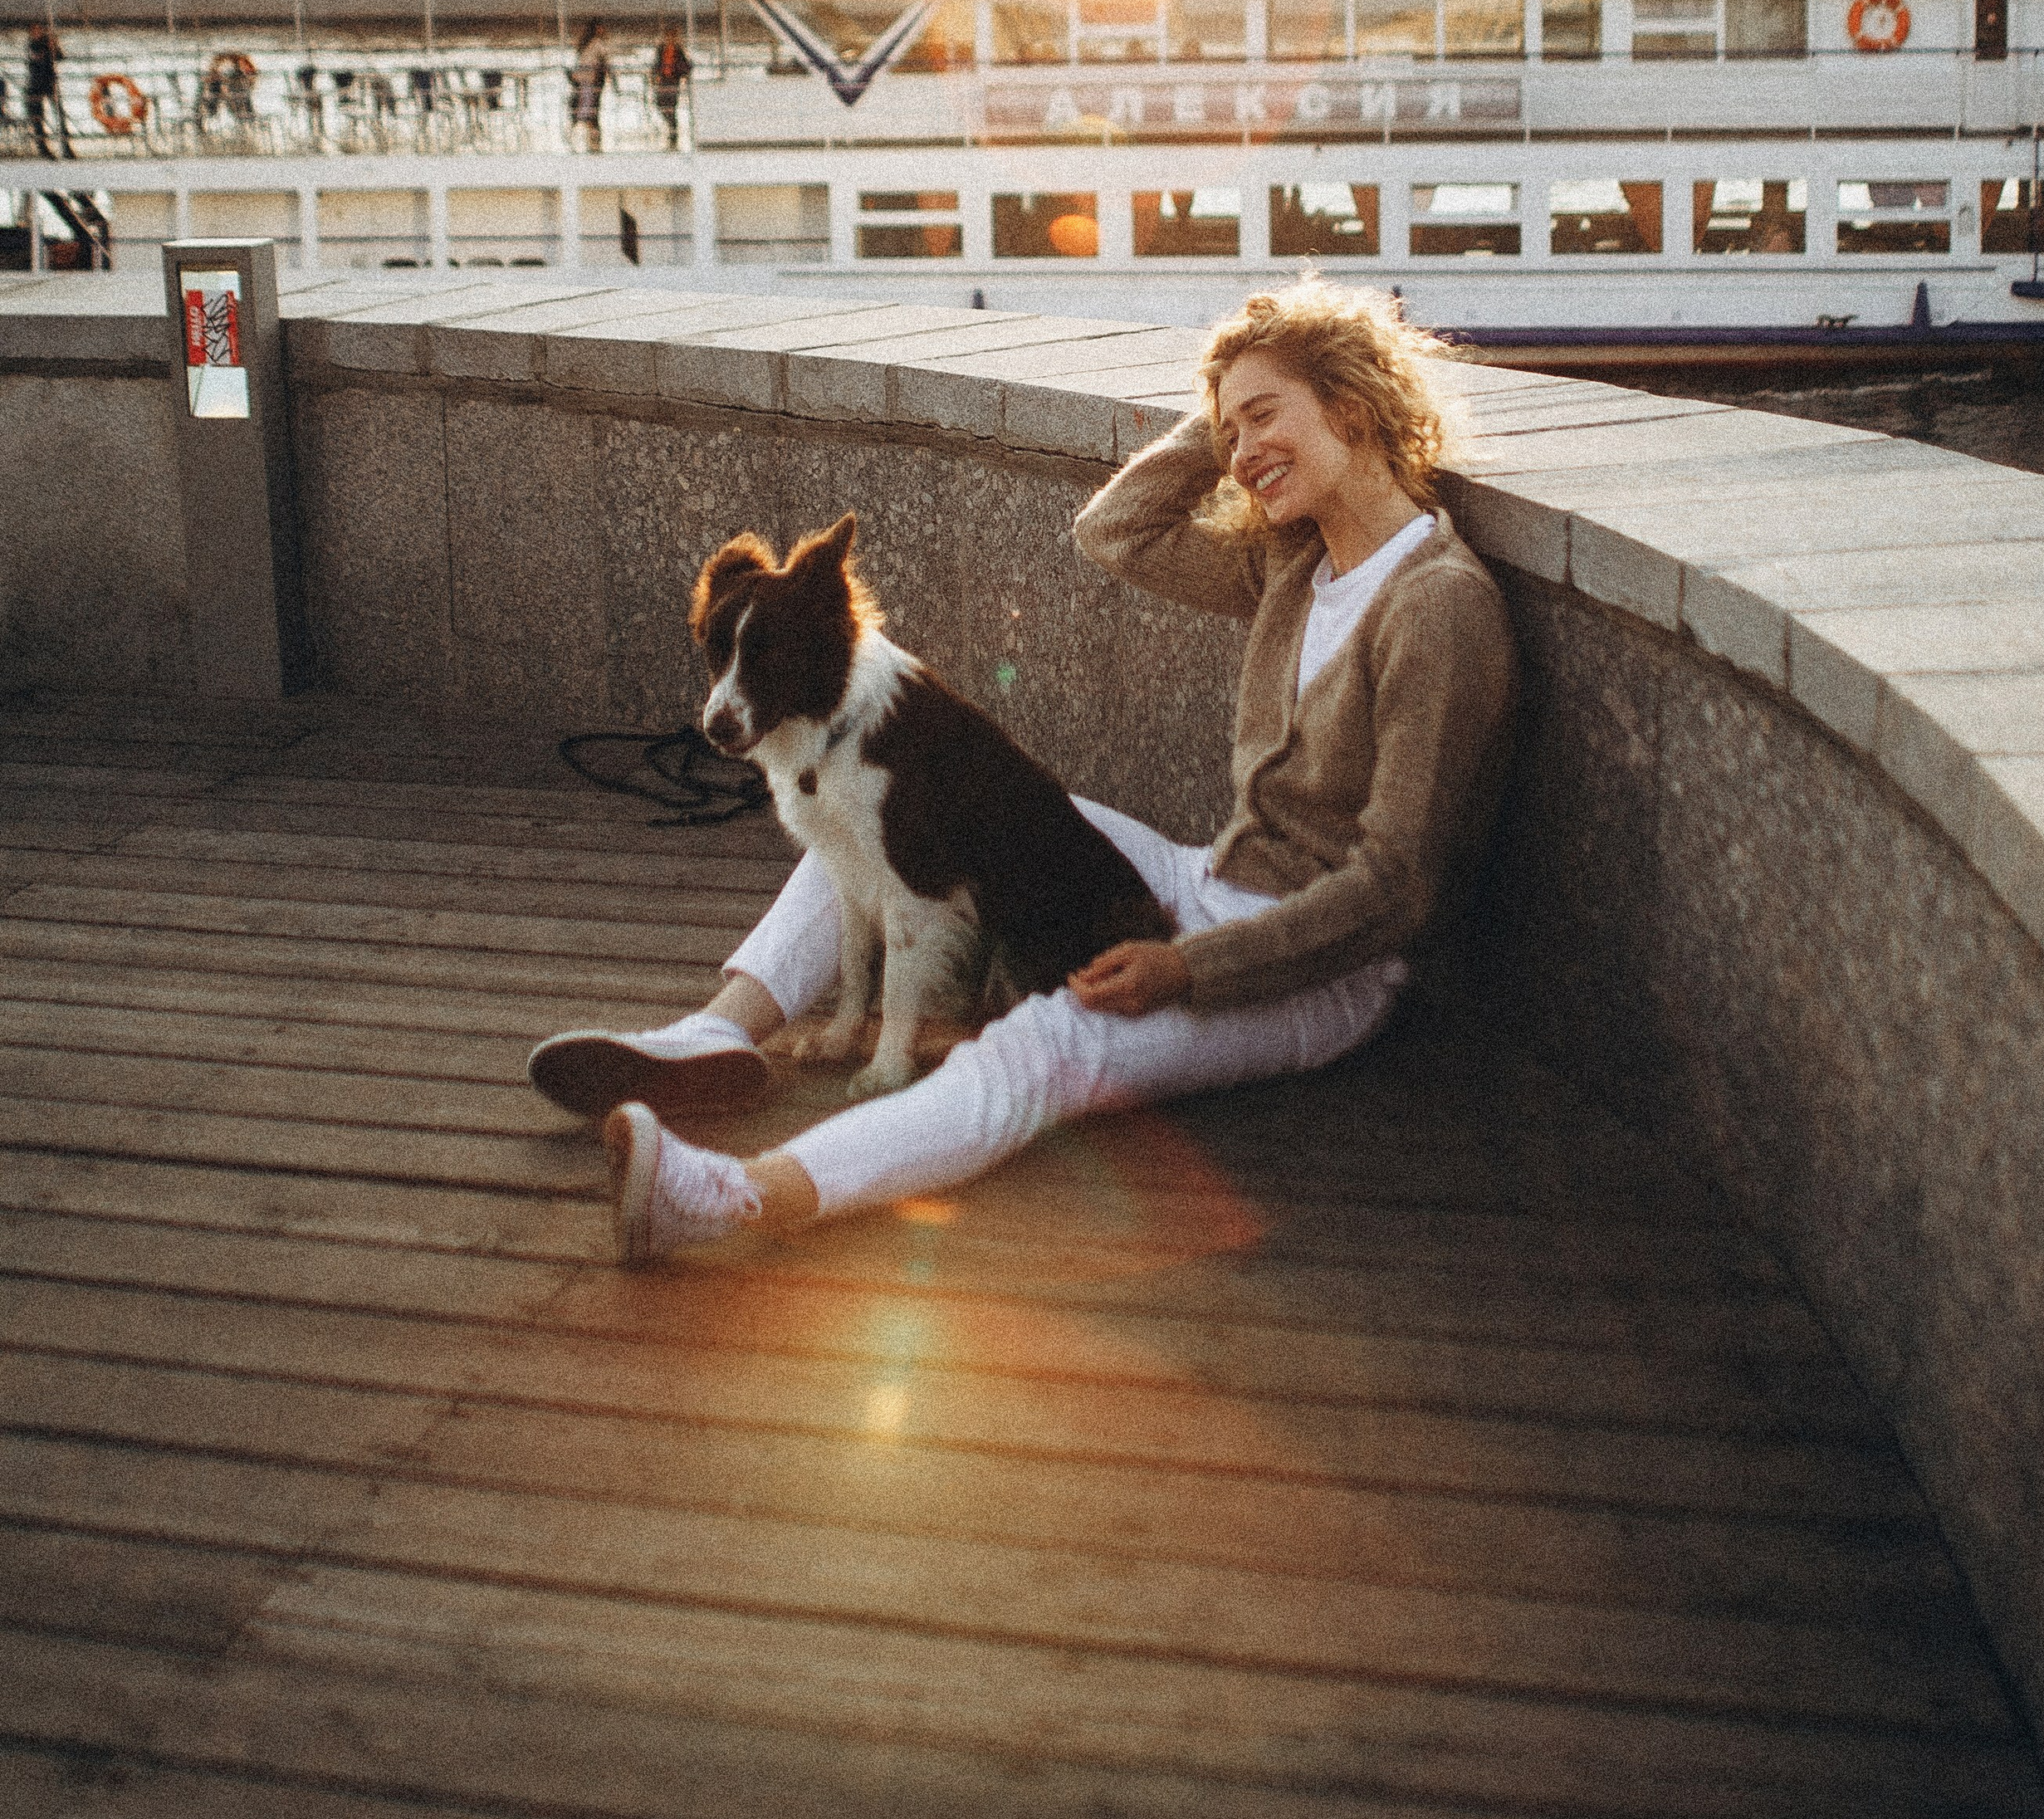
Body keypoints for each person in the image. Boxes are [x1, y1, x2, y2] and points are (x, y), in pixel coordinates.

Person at [534, 281, 1520, 1265]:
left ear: (1351, 405)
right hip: (1207, 876)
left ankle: (732, 1198)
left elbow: (1396, 887)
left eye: (1267, 418)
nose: (1242, 453)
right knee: (913, 792)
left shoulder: (1436, 607)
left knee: (1051, 1048)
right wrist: (1234, 389)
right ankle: (719, 1031)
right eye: (1229, 436)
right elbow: (1115, 530)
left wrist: (1187, 968)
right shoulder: (1295, 568)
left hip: (1322, 967)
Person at [26, 18, 70, 159]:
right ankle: (43, 147)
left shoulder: (47, 42)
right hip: (35, 84)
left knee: (59, 114)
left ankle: (66, 146)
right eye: (34, 31)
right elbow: (35, 59)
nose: (37, 33)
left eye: (39, 30)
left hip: (49, 83)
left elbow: (59, 57)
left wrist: (54, 46)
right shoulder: (33, 45)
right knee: (38, 115)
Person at [567, 20, 608, 150]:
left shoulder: (585, 43)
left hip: (582, 79)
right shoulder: (597, 43)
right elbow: (606, 57)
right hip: (589, 79)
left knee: (586, 104)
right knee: (590, 105)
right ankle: (593, 135)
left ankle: (587, 132)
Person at [652, 19, 692, 148]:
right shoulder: (661, 49)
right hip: (663, 80)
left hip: (673, 80)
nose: (669, 38)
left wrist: (682, 75)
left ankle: (673, 130)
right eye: (668, 35)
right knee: (660, 103)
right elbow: (656, 63)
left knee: (672, 105)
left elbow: (687, 66)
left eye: (672, 35)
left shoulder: (679, 50)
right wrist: (654, 75)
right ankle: (671, 126)